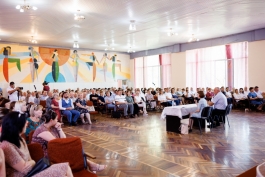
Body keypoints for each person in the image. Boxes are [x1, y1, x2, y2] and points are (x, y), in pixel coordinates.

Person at [0, 111, 73, 177]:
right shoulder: (6, 146)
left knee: (66, 167)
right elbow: (24, 169)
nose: (27, 123)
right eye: (24, 122)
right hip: (23, 175)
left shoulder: (21, 139)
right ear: (17, 126)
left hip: (31, 171)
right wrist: (33, 162)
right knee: (63, 170)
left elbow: (29, 161)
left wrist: (31, 162)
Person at [32, 110, 106, 172]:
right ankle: (90, 165)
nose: (57, 120)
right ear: (51, 120)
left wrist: (59, 129)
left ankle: (90, 165)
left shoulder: (52, 127)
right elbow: (56, 143)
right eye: (56, 119)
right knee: (71, 150)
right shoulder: (42, 130)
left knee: (74, 149)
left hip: (54, 150)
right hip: (44, 155)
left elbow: (63, 139)